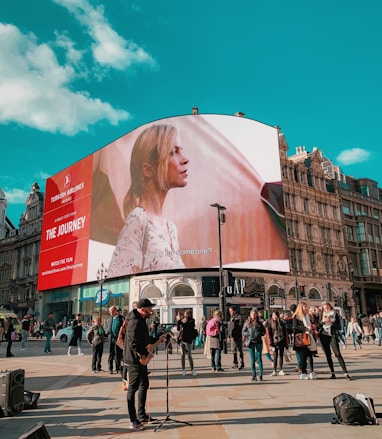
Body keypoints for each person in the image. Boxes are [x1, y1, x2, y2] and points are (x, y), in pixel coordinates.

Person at [108, 124, 189, 277]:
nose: (185, 160)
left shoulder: (171, 228)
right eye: (173, 152)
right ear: (148, 170)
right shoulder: (138, 220)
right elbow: (119, 282)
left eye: (181, 151)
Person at [124, 298, 166, 430]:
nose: (151, 311)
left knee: (144, 384)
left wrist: (158, 339)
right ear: (143, 309)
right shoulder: (134, 322)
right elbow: (134, 343)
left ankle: (141, 415)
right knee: (133, 388)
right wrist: (145, 354)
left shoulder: (141, 320)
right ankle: (133, 420)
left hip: (141, 359)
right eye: (149, 308)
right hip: (134, 360)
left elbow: (144, 339)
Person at [318, 302, 351, 380]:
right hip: (323, 335)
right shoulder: (321, 314)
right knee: (328, 354)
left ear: (330, 307)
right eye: (325, 308)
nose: (326, 310)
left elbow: (339, 326)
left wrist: (331, 322)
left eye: (328, 308)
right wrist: (323, 322)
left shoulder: (335, 314)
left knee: (337, 353)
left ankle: (345, 372)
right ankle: (332, 373)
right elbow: (318, 325)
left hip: (332, 334)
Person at [292, 302, 318, 380]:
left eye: (307, 307)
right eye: (305, 307)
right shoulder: (296, 316)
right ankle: (303, 373)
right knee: (303, 356)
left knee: (310, 355)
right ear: (301, 308)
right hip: (302, 338)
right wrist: (306, 328)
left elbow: (310, 325)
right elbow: (295, 326)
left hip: (309, 336)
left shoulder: (307, 316)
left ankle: (311, 371)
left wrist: (312, 327)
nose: (306, 308)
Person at [242, 308, 266, 382]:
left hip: (258, 342)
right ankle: (253, 375)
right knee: (252, 360)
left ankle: (261, 375)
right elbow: (243, 332)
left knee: (259, 359)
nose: (253, 315)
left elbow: (263, 332)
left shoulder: (259, 323)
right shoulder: (247, 323)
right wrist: (249, 334)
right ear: (250, 314)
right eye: (252, 313)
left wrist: (260, 333)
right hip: (251, 342)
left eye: (255, 313)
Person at [267, 310, 288, 376]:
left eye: (275, 315)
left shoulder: (281, 322)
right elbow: (269, 334)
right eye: (273, 315)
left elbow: (285, 332)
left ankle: (281, 370)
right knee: (275, 356)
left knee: (281, 355)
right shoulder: (270, 323)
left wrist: (286, 343)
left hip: (281, 341)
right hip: (274, 342)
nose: (274, 316)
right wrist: (270, 343)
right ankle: (274, 370)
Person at [177, 310, 198, 376]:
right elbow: (178, 329)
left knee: (189, 355)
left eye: (187, 314)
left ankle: (192, 369)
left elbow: (187, 327)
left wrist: (180, 321)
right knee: (182, 355)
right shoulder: (182, 321)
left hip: (188, 340)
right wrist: (179, 321)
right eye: (185, 314)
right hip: (182, 340)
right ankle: (183, 370)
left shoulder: (192, 321)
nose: (185, 316)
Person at [105, 305, 124, 374]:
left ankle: (118, 368)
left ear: (116, 311)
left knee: (117, 354)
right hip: (111, 338)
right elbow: (106, 327)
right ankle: (110, 368)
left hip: (117, 339)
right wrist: (107, 332)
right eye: (110, 311)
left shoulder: (121, 318)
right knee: (111, 354)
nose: (111, 313)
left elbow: (124, 328)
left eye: (112, 311)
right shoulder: (109, 319)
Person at [227, 306, 245, 370]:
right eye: (229, 311)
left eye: (231, 311)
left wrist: (235, 322)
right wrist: (228, 336)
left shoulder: (239, 317)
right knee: (233, 350)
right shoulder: (231, 318)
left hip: (238, 336)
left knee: (240, 350)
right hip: (232, 336)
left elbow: (241, 325)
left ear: (235, 311)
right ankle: (235, 363)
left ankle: (242, 363)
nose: (230, 312)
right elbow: (229, 328)